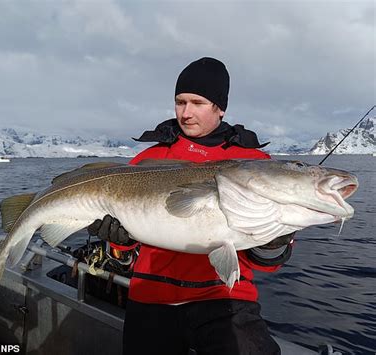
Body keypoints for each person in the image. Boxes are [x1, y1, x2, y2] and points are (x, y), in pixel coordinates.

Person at [88, 57, 293, 355]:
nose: (186, 113)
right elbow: (125, 254)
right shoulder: (149, 161)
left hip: (225, 299)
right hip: (150, 298)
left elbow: (270, 261)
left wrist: (274, 240)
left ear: (220, 108)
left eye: (197, 102)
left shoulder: (254, 165)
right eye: (180, 102)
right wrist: (119, 241)